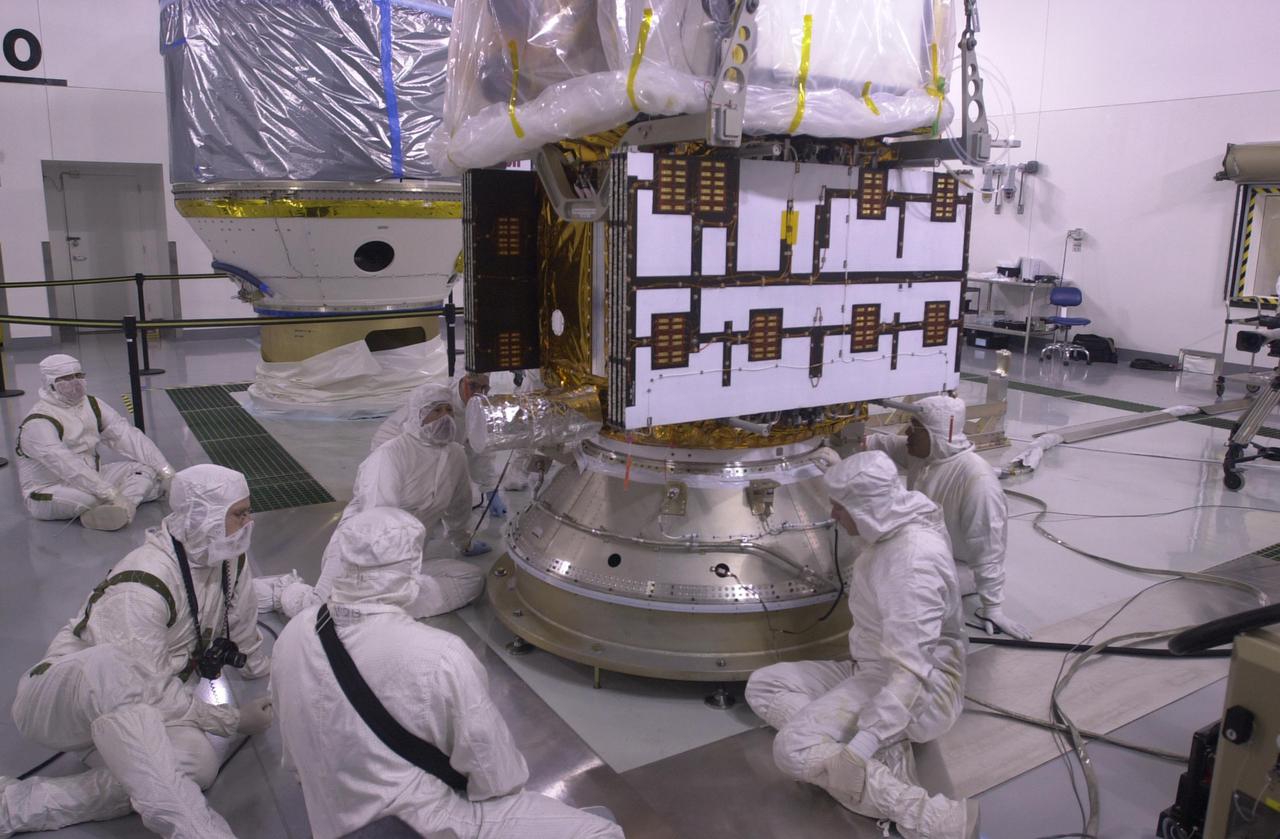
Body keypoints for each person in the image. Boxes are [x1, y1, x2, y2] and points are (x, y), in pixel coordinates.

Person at [270, 507, 624, 839]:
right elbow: (496, 779)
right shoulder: (439, 655)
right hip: (418, 825)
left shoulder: (294, 633)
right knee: (602, 831)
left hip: (331, 821)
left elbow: (294, 764)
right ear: (411, 570)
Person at [0, 465, 273, 838]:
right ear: (203, 516)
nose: (249, 522)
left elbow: (240, 621)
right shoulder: (140, 587)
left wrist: (273, 683)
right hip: (63, 698)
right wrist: (232, 721)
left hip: (143, 703)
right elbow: (141, 685)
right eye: (239, 514)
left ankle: (19, 804)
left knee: (197, 764)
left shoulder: (226, 557)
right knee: (114, 669)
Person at [745, 451, 975, 839]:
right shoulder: (897, 521)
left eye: (840, 506)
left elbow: (910, 670)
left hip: (920, 692)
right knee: (765, 684)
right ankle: (854, 754)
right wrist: (837, 466)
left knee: (792, 750)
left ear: (868, 507)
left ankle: (931, 817)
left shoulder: (911, 565)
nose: (833, 515)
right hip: (871, 668)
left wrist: (862, 745)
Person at [261, 383, 488, 620]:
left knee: (471, 579)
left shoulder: (456, 455)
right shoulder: (391, 454)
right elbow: (375, 521)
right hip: (358, 555)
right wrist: (381, 577)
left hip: (407, 557)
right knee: (318, 611)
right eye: (436, 411)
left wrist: (462, 540)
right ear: (418, 414)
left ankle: (374, 610)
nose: (445, 418)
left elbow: (459, 505)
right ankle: (283, 590)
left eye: (448, 410)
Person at [866, 394, 1030, 639]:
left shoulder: (977, 481)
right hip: (928, 549)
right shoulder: (925, 454)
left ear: (939, 433)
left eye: (915, 429)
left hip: (959, 567)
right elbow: (880, 443)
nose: (907, 435)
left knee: (886, 580)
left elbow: (988, 548)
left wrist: (993, 608)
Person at [15, 354, 175, 530]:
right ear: (49, 383)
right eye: (66, 378)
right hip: (50, 488)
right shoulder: (39, 422)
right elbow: (67, 465)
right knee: (91, 499)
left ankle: (119, 508)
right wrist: (111, 492)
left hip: (95, 475)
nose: (75, 382)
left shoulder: (92, 404)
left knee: (146, 469)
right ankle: (121, 502)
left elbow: (127, 436)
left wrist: (165, 470)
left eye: (79, 375)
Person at [371, 373, 507, 517]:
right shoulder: (436, 398)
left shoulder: (475, 410)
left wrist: (490, 490)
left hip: (428, 450)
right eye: (472, 386)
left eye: (484, 388)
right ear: (461, 382)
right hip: (401, 449)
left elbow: (479, 451)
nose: (478, 392)